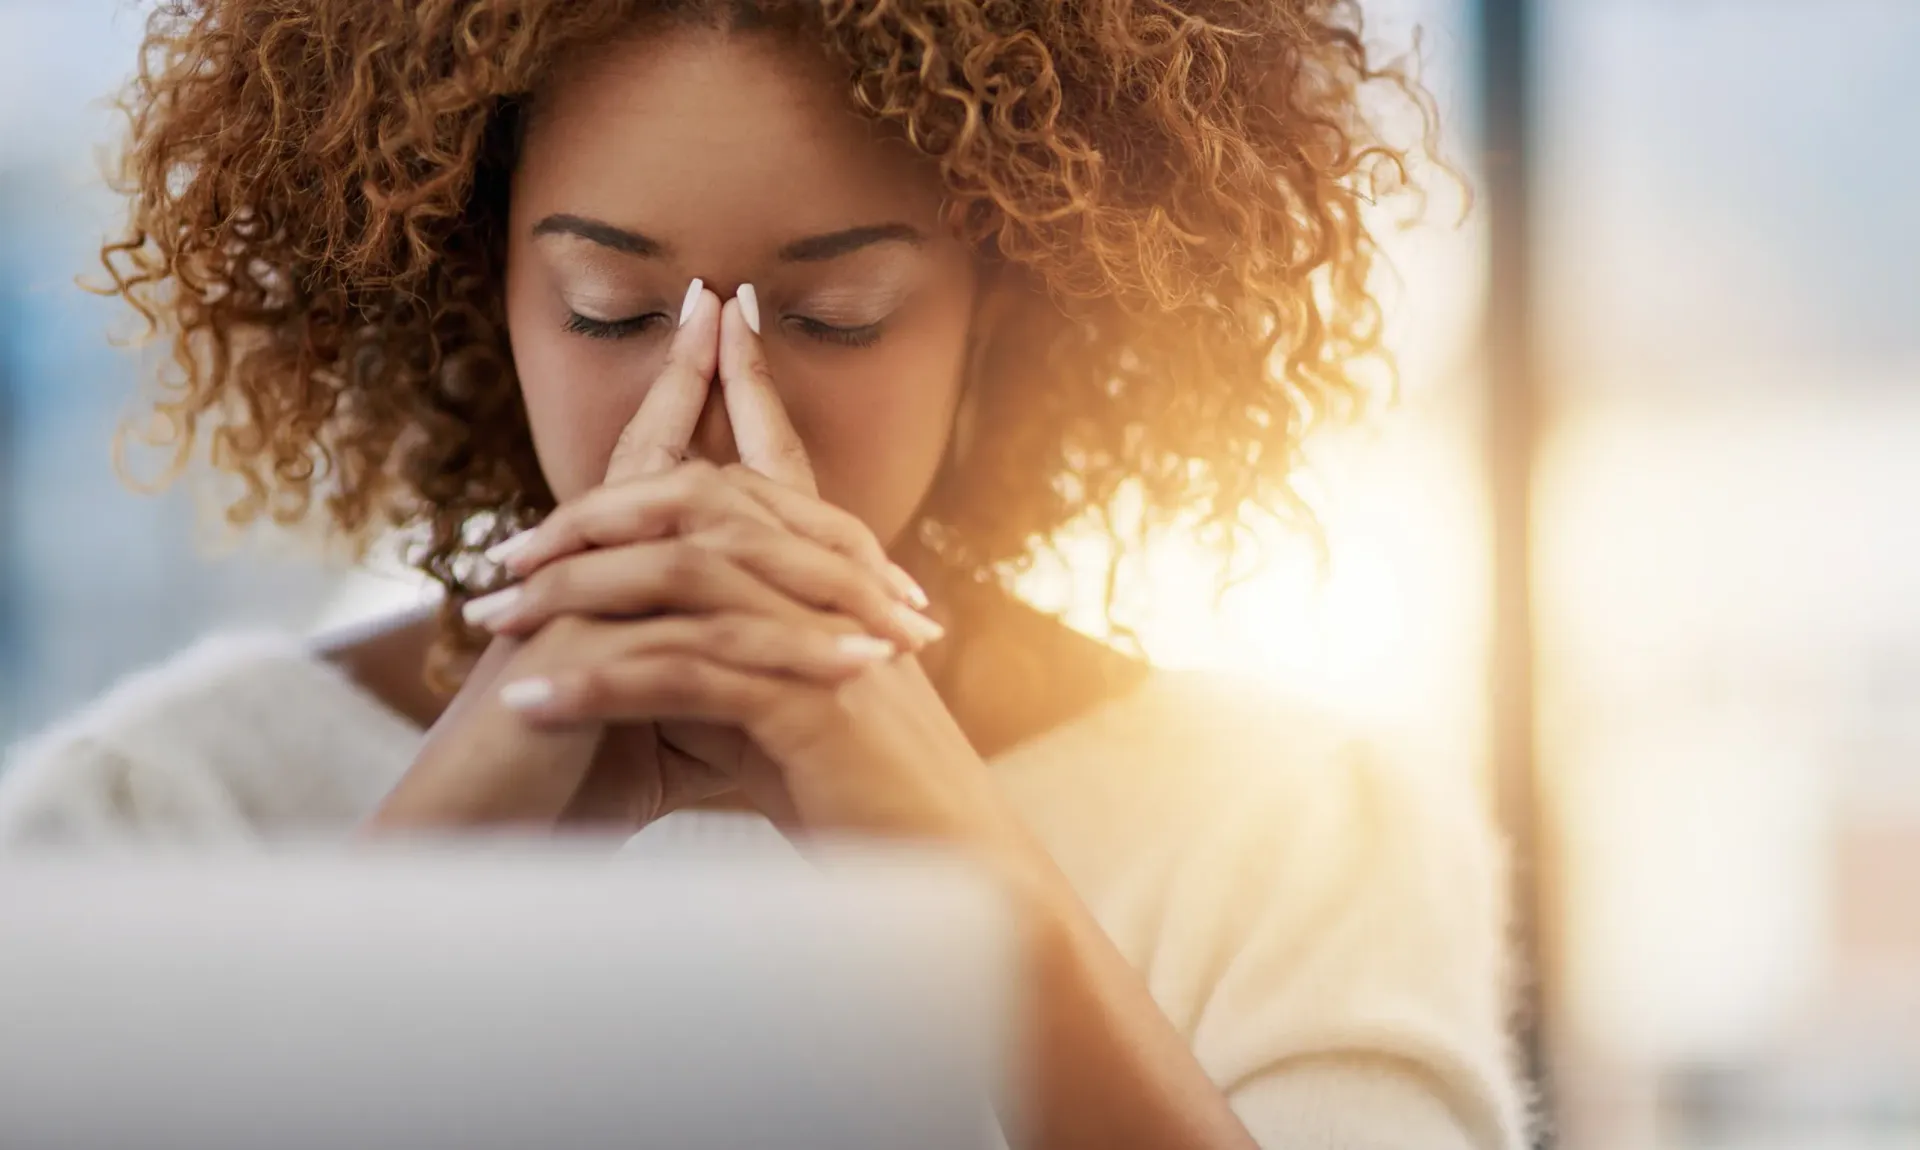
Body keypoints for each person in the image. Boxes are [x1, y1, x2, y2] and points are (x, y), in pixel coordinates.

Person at [0, 1, 1523, 1147]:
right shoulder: (159, 815)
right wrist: (445, 847)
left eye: (839, 315)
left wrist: (954, 852)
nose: (722, 412)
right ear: (484, 293)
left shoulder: (1296, 836)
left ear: (997, 309)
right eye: (609, 311)